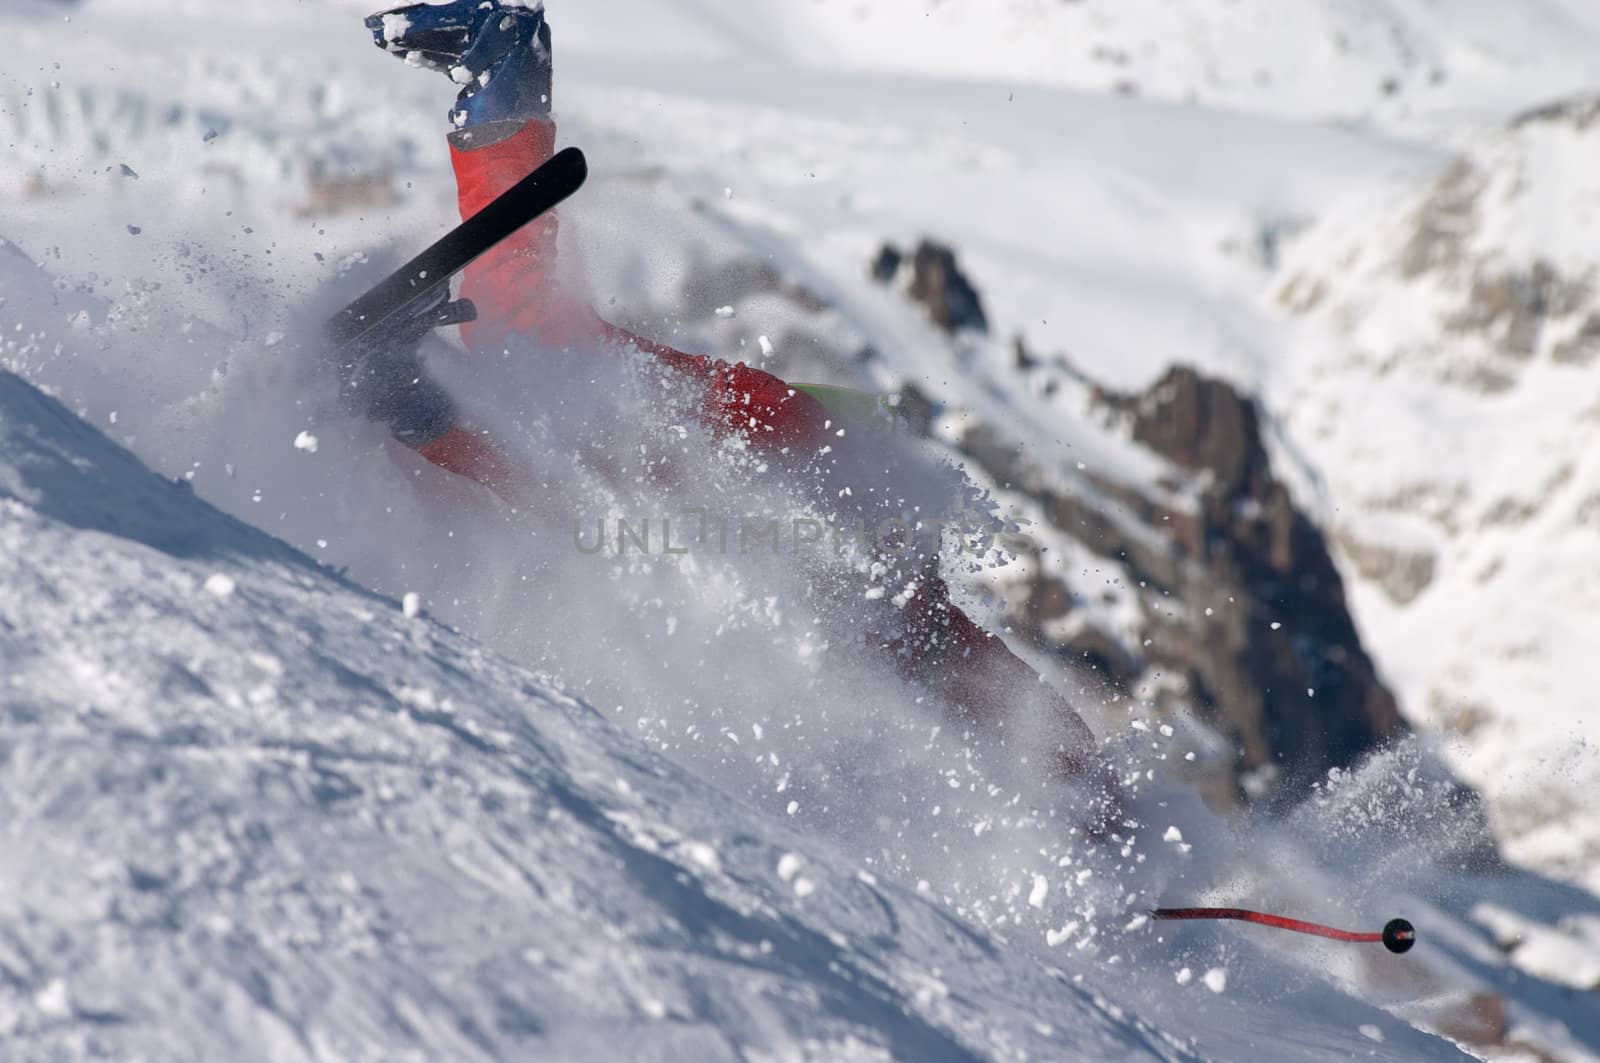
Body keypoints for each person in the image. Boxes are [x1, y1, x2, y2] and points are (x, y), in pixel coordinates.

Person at [358, 0, 1121, 826]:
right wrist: (1110, 823)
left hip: (792, 465)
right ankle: (503, 63)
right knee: (533, 364)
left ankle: (410, 402)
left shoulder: (874, 652)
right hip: (781, 449)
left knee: (517, 442)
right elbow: (569, 504)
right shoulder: (876, 621)